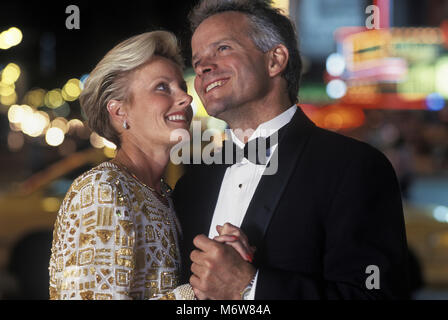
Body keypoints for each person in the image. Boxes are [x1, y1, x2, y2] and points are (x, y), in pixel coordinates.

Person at [173, 0, 410, 300]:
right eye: (197, 61)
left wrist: (250, 286)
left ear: (275, 60)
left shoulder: (355, 167)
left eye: (222, 49)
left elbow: (376, 295)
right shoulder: (191, 185)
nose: (204, 67)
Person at [48, 31, 253, 300]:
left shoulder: (164, 194)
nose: (186, 98)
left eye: (182, 86)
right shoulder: (102, 190)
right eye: (162, 87)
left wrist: (222, 261)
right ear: (120, 111)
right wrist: (200, 291)